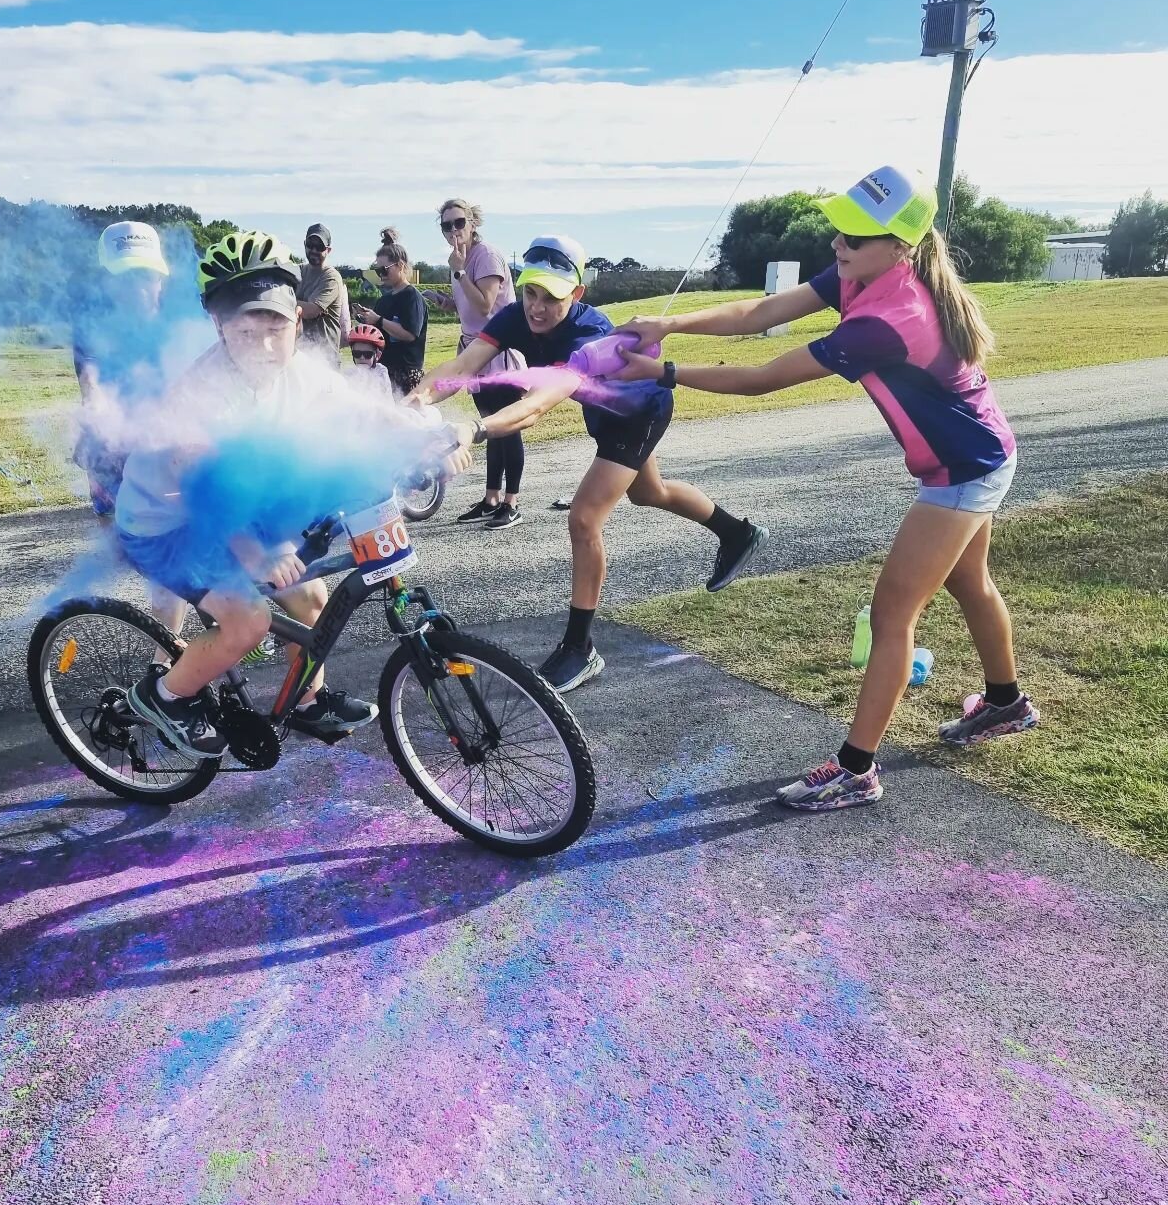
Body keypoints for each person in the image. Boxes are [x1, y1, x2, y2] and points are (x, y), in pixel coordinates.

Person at [615, 165, 1038, 811]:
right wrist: (668, 324)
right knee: (967, 580)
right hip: (979, 453)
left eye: (855, 236)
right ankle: (1006, 703)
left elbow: (762, 376)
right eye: (838, 230)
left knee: (893, 613)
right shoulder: (864, 274)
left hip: (964, 470)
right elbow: (761, 312)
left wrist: (664, 370)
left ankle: (855, 769)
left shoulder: (890, 317)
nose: (838, 245)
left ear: (899, 246)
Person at [113, 230, 472, 757]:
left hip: (236, 504)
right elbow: (202, 490)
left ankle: (309, 699)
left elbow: (366, 412)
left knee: (309, 596)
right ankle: (165, 695)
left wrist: (432, 436)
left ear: (296, 321)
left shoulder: (299, 372)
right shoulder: (199, 394)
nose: (262, 344)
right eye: (245, 329)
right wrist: (259, 552)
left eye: (275, 326)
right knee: (249, 621)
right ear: (218, 325)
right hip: (168, 522)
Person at [409, 234, 766, 693]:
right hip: (605, 413)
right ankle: (738, 532)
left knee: (584, 519)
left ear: (576, 294)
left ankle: (580, 648)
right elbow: (463, 364)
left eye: (551, 298)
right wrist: (414, 400)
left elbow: (538, 404)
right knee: (649, 492)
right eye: (530, 292)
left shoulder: (591, 334)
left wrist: (474, 430)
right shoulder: (516, 315)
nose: (536, 307)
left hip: (639, 413)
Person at [74, 221, 197, 646]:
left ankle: (185, 643)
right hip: (114, 455)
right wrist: (108, 421)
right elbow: (92, 390)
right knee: (158, 556)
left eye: (144, 276)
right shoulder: (93, 327)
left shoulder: (180, 325)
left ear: (160, 277)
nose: (137, 287)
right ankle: (168, 657)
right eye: (125, 277)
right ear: (108, 282)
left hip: (169, 450)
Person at [423, 199, 527, 531]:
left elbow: (485, 306)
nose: (453, 230)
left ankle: (511, 503)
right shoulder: (461, 259)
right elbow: (469, 304)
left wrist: (458, 272)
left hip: (499, 353)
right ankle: (491, 498)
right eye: (446, 225)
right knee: (489, 427)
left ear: (473, 223)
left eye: (458, 223)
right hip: (476, 352)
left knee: (507, 428)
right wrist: (446, 300)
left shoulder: (485, 257)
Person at [353, 228, 427, 396]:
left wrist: (378, 320)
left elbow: (409, 334)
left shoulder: (412, 297)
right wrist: (366, 320)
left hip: (406, 373)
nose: (381, 275)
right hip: (383, 370)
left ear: (400, 266)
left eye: (384, 270)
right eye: (378, 271)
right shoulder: (384, 299)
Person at [297, 223, 347, 364]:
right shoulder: (297, 271)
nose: (313, 250)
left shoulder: (331, 277)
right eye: (310, 245)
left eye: (319, 247)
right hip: (301, 355)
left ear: (328, 250)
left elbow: (311, 311)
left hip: (325, 358)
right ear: (305, 244)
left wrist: (283, 300)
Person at [343, 322, 395, 401]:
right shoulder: (349, 373)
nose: (362, 357)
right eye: (357, 353)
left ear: (377, 356)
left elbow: (386, 400)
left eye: (367, 354)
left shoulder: (380, 371)